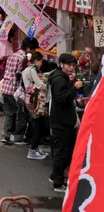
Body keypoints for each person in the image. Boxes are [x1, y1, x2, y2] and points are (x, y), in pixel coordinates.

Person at [48, 53, 82, 193]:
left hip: (64, 121)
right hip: (60, 122)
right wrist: (75, 88)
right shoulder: (59, 79)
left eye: (73, 65)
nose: (71, 68)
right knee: (61, 152)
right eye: (69, 65)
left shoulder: (61, 77)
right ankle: (57, 182)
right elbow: (61, 97)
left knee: (67, 150)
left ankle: (55, 175)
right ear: (61, 64)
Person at [1, 37, 39, 145]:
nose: (33, 52)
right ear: (28, 48)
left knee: (9, 114)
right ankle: (18, 137)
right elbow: (19, 74)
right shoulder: (24, 58)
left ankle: (6, 135)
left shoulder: (13, 55)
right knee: (20, 114)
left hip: (6, 88)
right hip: (15, 91)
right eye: (33, 49)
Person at [21, 51, 49, 160]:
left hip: (29, 99)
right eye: (41, 61)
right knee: (38, 126)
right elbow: (40, 84)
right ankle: (32, 150)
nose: (41, 63)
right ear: (36, 61)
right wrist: (51, 87)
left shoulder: (27, 69)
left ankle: (36, 148)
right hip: (34, 100)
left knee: (38, 124)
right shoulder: (32, 70)